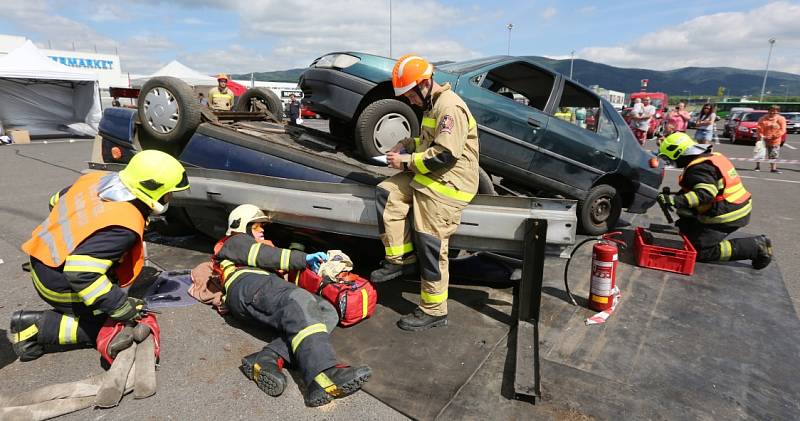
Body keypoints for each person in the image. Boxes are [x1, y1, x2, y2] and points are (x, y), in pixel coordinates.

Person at [10, 150, 189, 361]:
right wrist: (120, 307)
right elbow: (81, 273)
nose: (171, 197)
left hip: (43, 258)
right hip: (57, 284)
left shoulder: (95, 179)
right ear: (154, 190)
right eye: (169, 192)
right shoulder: (123, 226)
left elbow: (55, 201)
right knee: (110, 323)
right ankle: (34, 328)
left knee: (107, 299)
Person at [190, 204, 371, 407]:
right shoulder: (236, 241)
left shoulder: (255, 247)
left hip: (258, 290)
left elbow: (271, 259)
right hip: (248, 284)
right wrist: (303, 259)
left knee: (326, 312)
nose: (262, 230)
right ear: (243, 226)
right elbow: (266, 255)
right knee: (299, 299)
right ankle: (323, 374)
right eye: (257, 226)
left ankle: (267, 358)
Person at [369, 54, 480, 331]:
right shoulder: (432, 106)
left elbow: (444, 156)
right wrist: (408, 143)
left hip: (449, 184)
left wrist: (405, 161)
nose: (409, 101)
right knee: (387, 193)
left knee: (429, 242)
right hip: (432, 176)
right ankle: (400, 260)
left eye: (410, 95)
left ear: (424, 84)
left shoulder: (449, 108)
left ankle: (434, 310)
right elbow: (430, 143)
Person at [657, 133, 772, 269]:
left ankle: (756, 246)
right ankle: (690, 229)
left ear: (679, 153)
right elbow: (705, 187)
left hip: (727, 215)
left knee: (699, 251)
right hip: (736, 205)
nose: (673, 163)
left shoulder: (698, 168)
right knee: (686, 217)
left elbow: (705, 194)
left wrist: (674, 200)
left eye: (670, 158)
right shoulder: (711, 158)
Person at [754, 105, 787, 173]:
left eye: (775, 112)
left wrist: (773, 136)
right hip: (762, 139)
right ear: (768, 111)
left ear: (778, 112)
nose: (772, 113)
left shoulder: (781, 119)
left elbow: (783, 130)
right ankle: (757, 166)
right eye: (771, 111)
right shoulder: (762, 118)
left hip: (774, 140)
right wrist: (761, 135)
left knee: (773, 154)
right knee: (759, 153)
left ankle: (773, 168)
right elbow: (759, 128)